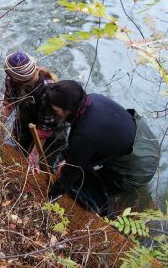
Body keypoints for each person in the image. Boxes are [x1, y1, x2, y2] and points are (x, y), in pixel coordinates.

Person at [44, 80, 160, 216]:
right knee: (84, 165)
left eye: (56, 110)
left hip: (139, 167)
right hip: (147, 140)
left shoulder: (86, 134)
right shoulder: (92, 99)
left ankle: (105, 214)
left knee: (87, 186)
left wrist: (51, 195)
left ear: (68, 109)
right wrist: (67, 159)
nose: (55, 113)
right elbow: (79, 147)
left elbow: (71, 174)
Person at [0, 51, 66, 171]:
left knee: (45, 162)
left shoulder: (48, 90)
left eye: (11, 76)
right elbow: (8, 104)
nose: (8, 77)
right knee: (19, 145)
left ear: (21, 80)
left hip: (51, 128)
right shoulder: (12, 79)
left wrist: (35, 154)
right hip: (27, 117)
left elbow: (45, 129)